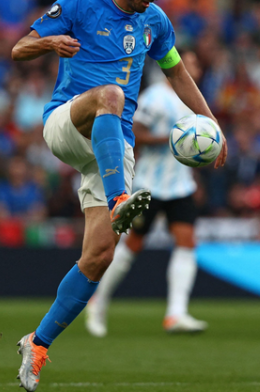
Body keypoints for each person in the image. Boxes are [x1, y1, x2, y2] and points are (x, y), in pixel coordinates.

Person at [10, 0, 226, 391]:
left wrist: (212, 124)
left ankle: (38, 342)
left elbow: (178, 73)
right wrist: (50, 42)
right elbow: (18, 49)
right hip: (68, 122)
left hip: (114, 147)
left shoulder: (155, 22)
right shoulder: (79, 3)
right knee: (112, 94)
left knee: (99, 256)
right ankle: (120, 200)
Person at [85, 51, 208, 337]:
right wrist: (174, 140)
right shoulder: (155, 97)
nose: (197, 68)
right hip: (149, 185)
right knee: (131, 247)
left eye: (197, 64)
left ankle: (176, 314)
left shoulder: (192, 99)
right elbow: (135, 132)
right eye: (192, 63)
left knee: (187, 242)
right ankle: (98, 302)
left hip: (181, 185)